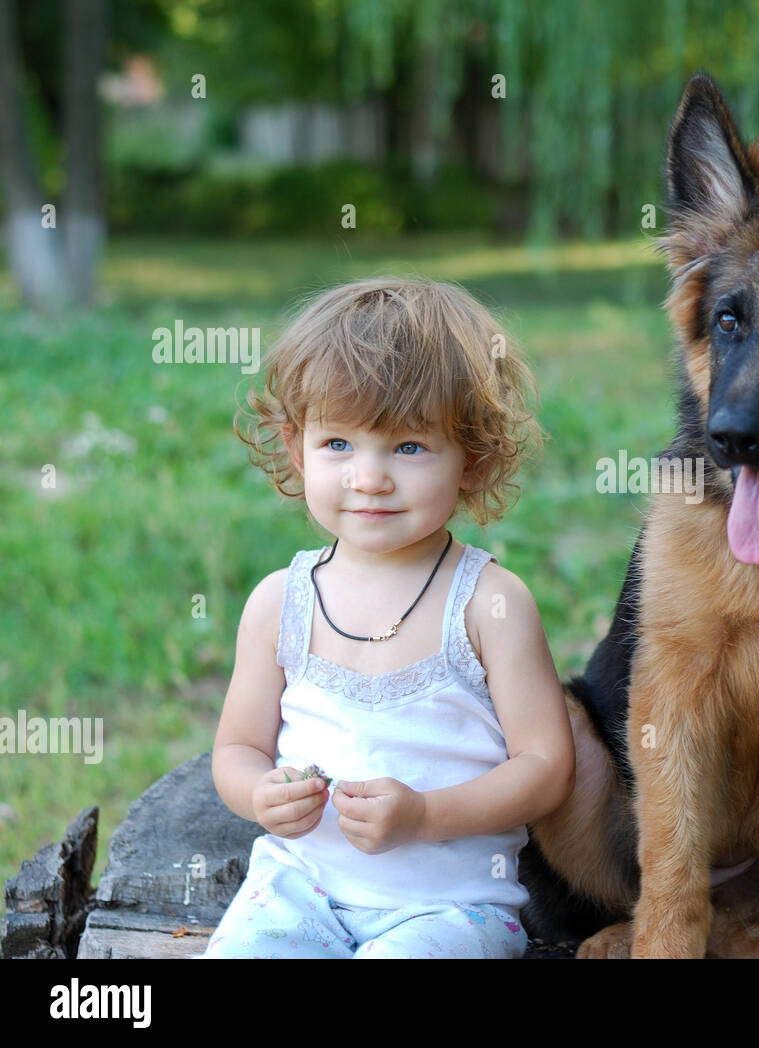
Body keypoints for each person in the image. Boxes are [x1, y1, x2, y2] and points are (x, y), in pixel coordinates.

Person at [202, 277, 573, 958]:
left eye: (408, 448)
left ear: (474, 458)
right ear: (295, 447)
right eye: (338, 444)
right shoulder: (278, 603)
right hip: (300, 888)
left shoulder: (490, 604)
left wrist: (429, 815)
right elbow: (236, 749)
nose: (368, 477)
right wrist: (261, 792)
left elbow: (547, 767)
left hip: (451, 908)